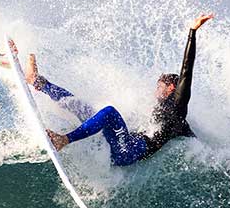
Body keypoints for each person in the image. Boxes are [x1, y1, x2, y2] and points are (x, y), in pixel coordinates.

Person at [25, 13, 213, 166]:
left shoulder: (178, 104)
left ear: (172, 88)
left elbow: (186, 70)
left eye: (160, 86)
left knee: (109, 112)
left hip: (128, 153)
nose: (155, 90)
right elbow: (188, 136)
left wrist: (192, 31)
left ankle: (64, 140)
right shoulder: (165, 112)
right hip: (122, 143)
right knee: (81, 106)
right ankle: (38, 82)